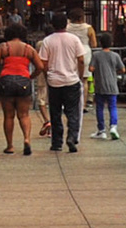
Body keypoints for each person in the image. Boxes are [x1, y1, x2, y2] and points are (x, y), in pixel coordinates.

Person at [37, 12, 90, 152]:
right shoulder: (74, 39)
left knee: (55, 113)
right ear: (66, 24)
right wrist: (79, 75)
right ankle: (72, 137)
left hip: (54, 81)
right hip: (71, 80)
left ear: (52, 24)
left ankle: (57, 142)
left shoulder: (48, 41)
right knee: (72, 112)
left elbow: (43, 62)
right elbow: (81, 60)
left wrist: (48, 74)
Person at [0, 21, 39, 155]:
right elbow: (41, 66)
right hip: (23, 80)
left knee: (8, 116)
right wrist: (31, 76)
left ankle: (10, 145)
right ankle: (26, 139)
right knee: (24, 115)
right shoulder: (29, 48)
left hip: (6, 80)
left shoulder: (3, 47)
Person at [89, 31, 126, 140]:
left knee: (99, 108)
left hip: (100, 86)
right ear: (111, 43)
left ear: (100, 43)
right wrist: (114, 72)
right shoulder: (115, 55)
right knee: (113, 107)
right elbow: (123, 69)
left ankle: (101, 130)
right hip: (112, 85)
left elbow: (91, 68)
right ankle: (113, 127)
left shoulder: (96, 55)